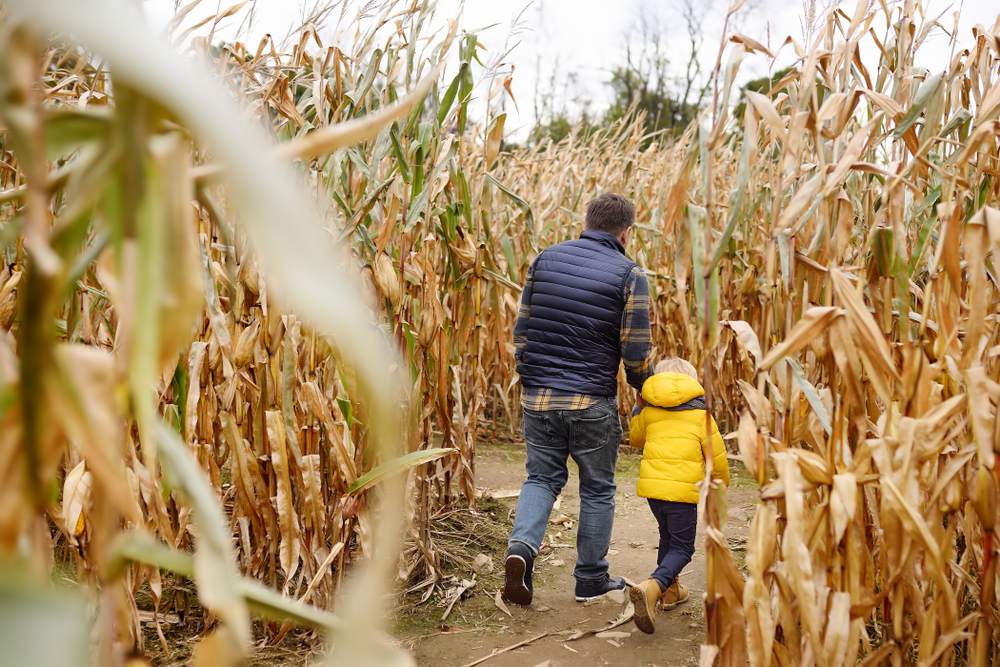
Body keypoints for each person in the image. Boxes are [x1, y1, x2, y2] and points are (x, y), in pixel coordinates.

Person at [502, 192, 655, 606]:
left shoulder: (544, 259)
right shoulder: (630, 274)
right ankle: (590, 579)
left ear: (586, 220)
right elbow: (636, 349)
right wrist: (646, 388)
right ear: (626, 232)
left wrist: (530, 377)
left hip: (538, 397)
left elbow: (523, 331)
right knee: (598, 489)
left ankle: (521, 550)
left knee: (541, 478)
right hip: (590, 401)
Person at [626, 357, 730, 634]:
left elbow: (635, 440)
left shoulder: (649, 412)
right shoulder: (701, 416)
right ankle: (654, 585)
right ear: (692, 383)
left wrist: (638, 407)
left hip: (654, 493)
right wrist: (720, 487)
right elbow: (717, 459)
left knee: (667, 538)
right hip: (683, 494)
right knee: (683, 548)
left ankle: (670, 593)